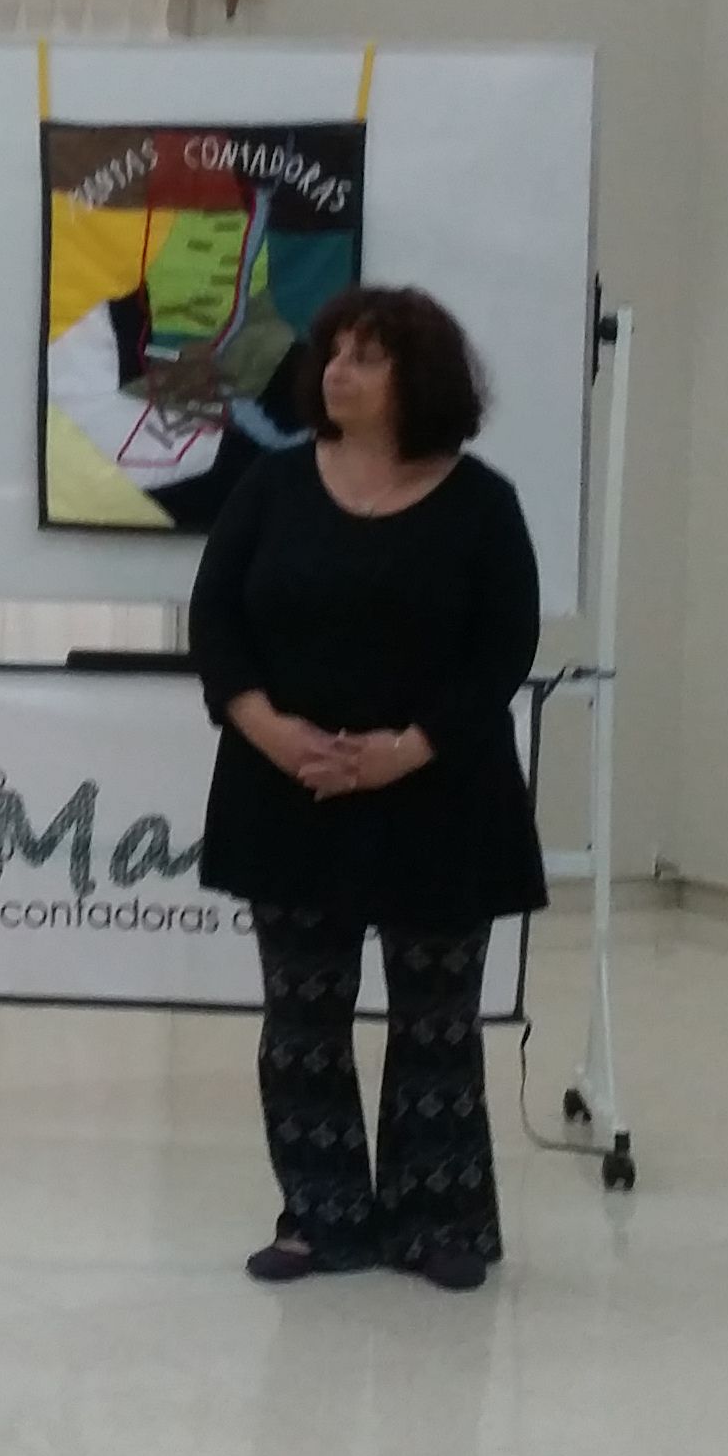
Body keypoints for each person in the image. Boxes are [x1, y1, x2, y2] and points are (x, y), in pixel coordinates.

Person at [190, 285, 543, 1294]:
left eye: (365, 356)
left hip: (441, 794)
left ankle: (439, 1221)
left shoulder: (482, 503)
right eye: (332, 353)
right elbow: (216, 622)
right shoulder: (271, 486)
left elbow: (502, 648)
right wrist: (266, 728)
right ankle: (320, 1217)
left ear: (416, 378)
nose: (336, 370)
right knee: (301, 1018)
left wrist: (407, 748)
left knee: (437, 1018)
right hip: (286, 791)